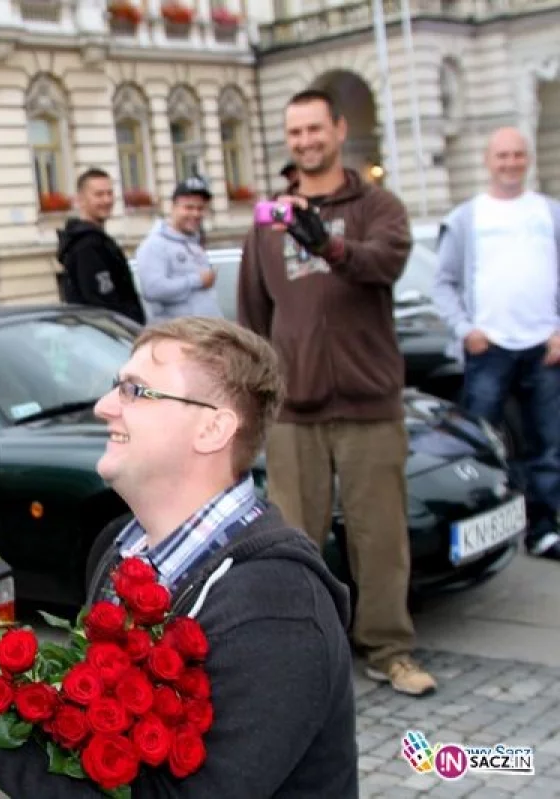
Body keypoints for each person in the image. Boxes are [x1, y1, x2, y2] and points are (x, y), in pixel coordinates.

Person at [0, 317, 358, 797]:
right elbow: (94, 731)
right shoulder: (121, 548)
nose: (104, 406)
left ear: (213, 428)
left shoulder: (278, 609)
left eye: (136, 391)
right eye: (116, 387)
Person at [236, 88, 436, 696]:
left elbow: (383, 263)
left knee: (381, 535)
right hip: (295, 409)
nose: (304, 141)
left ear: (338, 130)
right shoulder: (268, 222)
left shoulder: (378, 205)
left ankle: (389, 650)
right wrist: (255, 395)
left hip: (369, 402)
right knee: (294, 540)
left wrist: (327, 243)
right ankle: (305, 655)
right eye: (294, 132)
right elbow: (252, 312)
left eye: (314, 129)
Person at [433, 127, 560, 561]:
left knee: (548, 445)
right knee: (479, 444)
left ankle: (543, 529)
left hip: (544, 348)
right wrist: (465, 329)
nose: (510, 163)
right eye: (502, 155)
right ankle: (481, 531)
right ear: (488, 160)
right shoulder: (469, 217)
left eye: (517, 155)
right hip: (488, 351)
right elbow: (443, 283)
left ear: (527, 159)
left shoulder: (549, 213)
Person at [57, 168, 146, 324]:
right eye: (99, 195)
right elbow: (103, 306)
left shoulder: (98, 240)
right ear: (80, 200)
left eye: (110, 193)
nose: (106, 200)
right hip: (111, 338)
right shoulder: (87, 246)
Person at [134, 176, 221, 322]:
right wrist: (197, 280)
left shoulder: (194, 242)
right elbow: (153, 289)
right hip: (178, 336)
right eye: (189, 208)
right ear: (173, 207)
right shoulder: (155, 244)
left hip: (204, 334)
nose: (195, 214)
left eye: (200, 208)